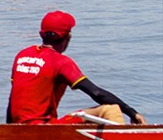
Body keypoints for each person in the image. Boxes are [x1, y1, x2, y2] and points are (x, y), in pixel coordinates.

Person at [7, 11, 143, 125]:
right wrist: (132, 112)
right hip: (45, 129)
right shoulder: (61, 62)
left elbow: (12, 99)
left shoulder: (22, 55)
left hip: (20, 128)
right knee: (111, 110)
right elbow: (96, 93)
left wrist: (10, 130)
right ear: (67, 37)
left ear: (41, 34)